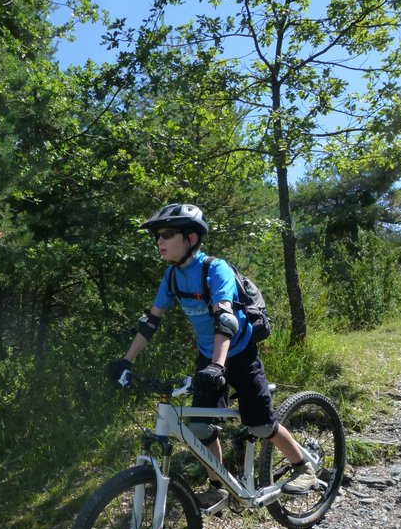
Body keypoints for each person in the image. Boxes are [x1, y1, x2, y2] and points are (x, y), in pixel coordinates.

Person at [108, 203, 318, 508]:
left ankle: (304, 467)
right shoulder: (171, 277)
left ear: (191, 238)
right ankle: (218, 485)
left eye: (167, 234)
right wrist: (125, 362)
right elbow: (151, 322)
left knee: (259, 423)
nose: (160, 241)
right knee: (200, 426)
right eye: (158, 236)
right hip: (209, 356)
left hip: (239, 352)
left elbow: (226, 320)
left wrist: (218, 366)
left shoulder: (214, 269)